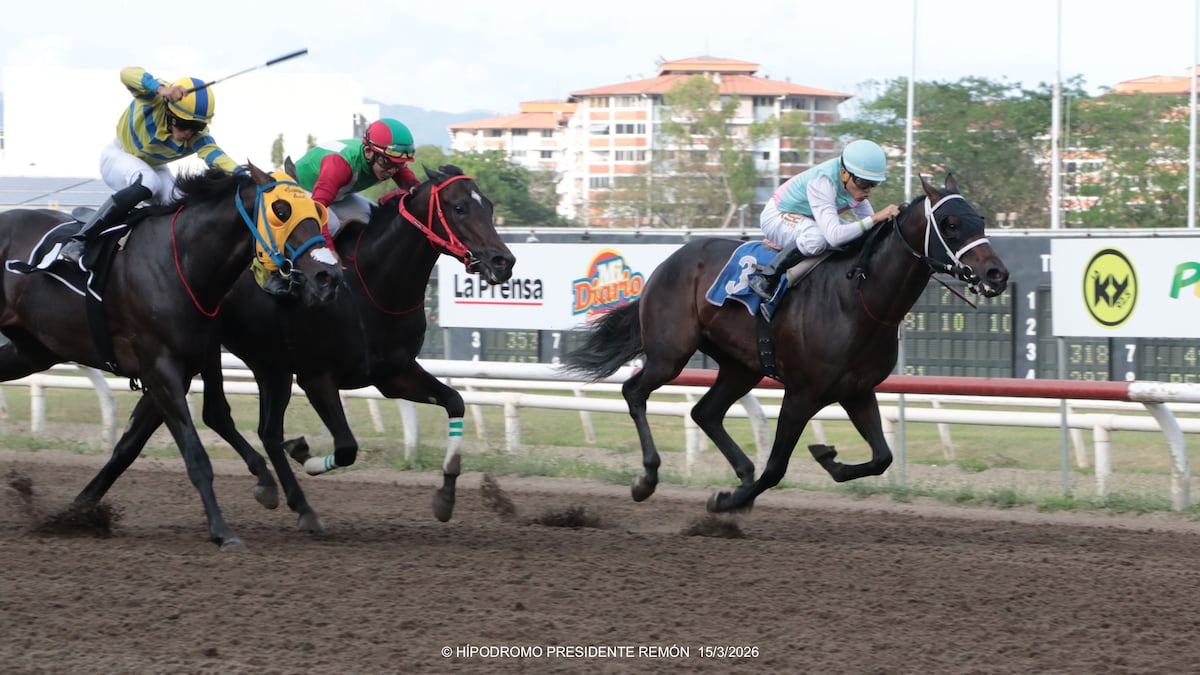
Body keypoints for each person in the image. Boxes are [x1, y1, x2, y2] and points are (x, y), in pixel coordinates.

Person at [60, 67, 240, 264]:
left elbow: (217, 157)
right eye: (182, 123)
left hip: (152, 166)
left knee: (180, 201)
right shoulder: (153, 99)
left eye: (196, 126)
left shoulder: (197, 137)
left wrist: (248, 174)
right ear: (170, 113)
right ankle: (79, 240)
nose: (188, 132)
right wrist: (161, 89)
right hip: (117, 155)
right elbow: (126, 74)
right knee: (149, 180)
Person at [271, 118, 421, 295]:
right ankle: (284, 273)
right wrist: (329, 251)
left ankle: (354, 264)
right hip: (303, 190)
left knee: (374, 218)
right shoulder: (339, 165)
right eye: (387, 164)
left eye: (399, 165)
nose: (392, 171)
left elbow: (413, 185)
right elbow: (318, 209)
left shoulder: (386, 159)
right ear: (368, 152)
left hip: (336, 193)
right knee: (331, 223)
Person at [747, 139, 902, 301]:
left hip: (807, 217)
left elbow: (870, 231)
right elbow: (834, 236)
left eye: (873, 183)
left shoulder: (851, 184)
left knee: (856, 234)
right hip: (778, 215)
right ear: (844, 173)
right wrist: (876, 217)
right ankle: (768, 277)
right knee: (818, 239)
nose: (867, 190)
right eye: (862, 182)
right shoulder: (823, 182)